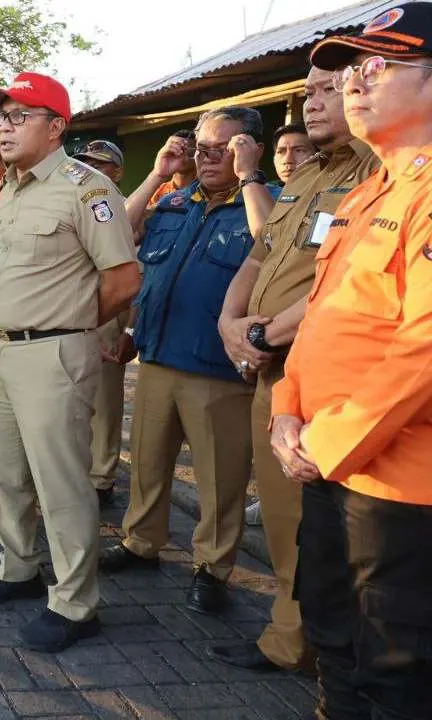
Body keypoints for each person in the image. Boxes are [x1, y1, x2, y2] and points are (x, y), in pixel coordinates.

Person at [270, 6, 432, 716]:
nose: (352, 83)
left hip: (395, 488)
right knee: (332, 637)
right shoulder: (371, 191)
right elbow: (322, 319)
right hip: (325, 461)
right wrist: (285, 414)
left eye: (375, 67)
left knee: (394, 670)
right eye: (350, 70)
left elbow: (422, 348)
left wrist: (323, 442)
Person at [205, 63, 381, 675]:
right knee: (282, 516)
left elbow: (349, 284)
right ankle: (292, 640)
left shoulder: (379, 174)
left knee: (330, 531)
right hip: (271, 373)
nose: (313, 102)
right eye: (307, 92)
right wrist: (231, 320)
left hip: (325, 378)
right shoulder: (309, 175)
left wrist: (258, 333)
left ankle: (329, 649)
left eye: (328, 89)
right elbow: (262, 252)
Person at [0, 73, 140, 652]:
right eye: (1, 116)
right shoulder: (13, 188)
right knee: (6, 471)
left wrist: (70, 324)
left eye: (20, 115)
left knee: (61, 483)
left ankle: (75, 603)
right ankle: (18, 568)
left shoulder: (86, 188)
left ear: (57, 126)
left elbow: (122, 279)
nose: (3, 126)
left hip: (52, 353)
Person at [101, 107, 273, 616]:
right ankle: (140, 542)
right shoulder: (175, 201)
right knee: (147, 464)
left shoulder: (266, 202)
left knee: (220, 477)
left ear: (251, 149)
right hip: (157, 354)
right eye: (203, 147)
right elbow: (119, 234)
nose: (209, 156)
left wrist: (249, 178)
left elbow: (273, 245)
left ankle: (212, 568)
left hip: (218, 370)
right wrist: (156, 172)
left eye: (225, 147)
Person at [73, 139, 132, 508]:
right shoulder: (74, 202)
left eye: (100, 163)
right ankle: (78, 470)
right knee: (73, 401)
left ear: (117, 171)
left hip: (108, 311)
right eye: (84, 162)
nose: (90, 168)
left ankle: (101, 477)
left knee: (105, 403)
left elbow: (132, 274)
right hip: (71, 311)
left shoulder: (122, 207)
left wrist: (127, 328)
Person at [144, 129, 197, 209]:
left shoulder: (206, 191)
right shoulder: (158, 191)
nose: (183, 157)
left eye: (189, 152)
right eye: (179, 151)